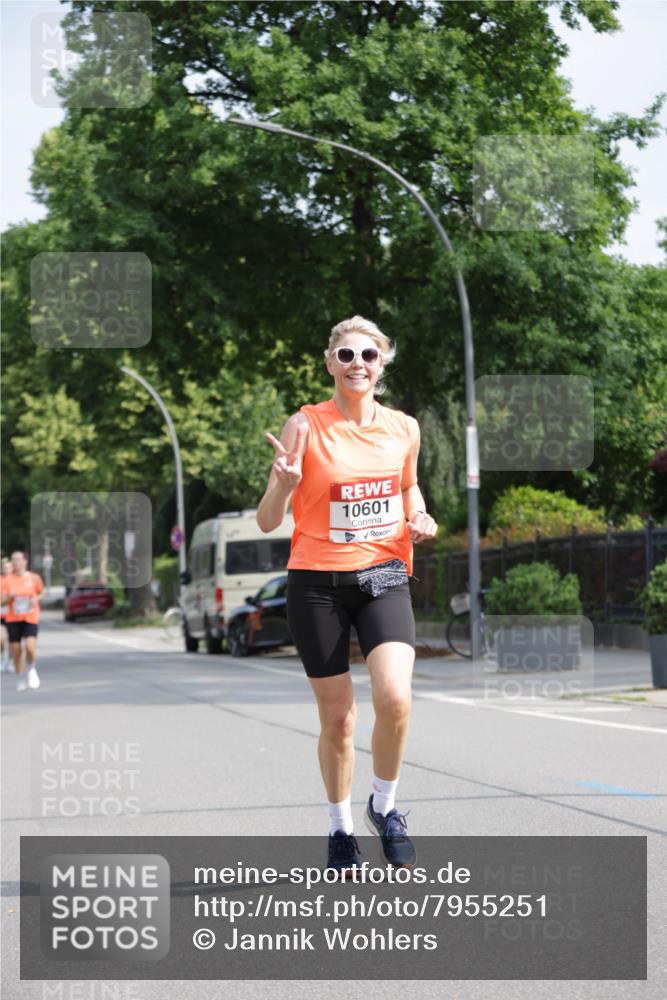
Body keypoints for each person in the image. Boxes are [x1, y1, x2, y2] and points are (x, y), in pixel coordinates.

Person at [257, 316, 437, 873]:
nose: (358, 364)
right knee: (338, 720)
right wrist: (284, 486)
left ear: (382, 365)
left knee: (396, 698)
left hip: (384, 575)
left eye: (368, 355)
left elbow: (407, 485)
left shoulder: (404, 428)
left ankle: (384, 806)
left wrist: (419, 514)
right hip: (317, 584)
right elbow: (267, 521)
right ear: (330, 363)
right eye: (346, 355)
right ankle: (340, 829)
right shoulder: (305, 426)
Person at [5, 550, 44, 692]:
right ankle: (20, 676)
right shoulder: (7, 579)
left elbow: (41, 592)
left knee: (30, 647)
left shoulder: (34, 578)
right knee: (16, 651)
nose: (15, 562)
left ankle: (32, 669)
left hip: (30, 617)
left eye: (18, 559)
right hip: (13, 618)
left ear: (25, 561)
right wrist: (9, 597)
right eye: (13, 559)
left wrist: (36, 599)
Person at [1, 559, 14, 672]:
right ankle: (1, 659)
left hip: (13, 615)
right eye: (4, 567)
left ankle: (10, 661)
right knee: (1, 639)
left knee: (11, 640)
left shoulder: (16, 580)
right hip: (1, 615)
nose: (5, 569)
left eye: (7, 567)